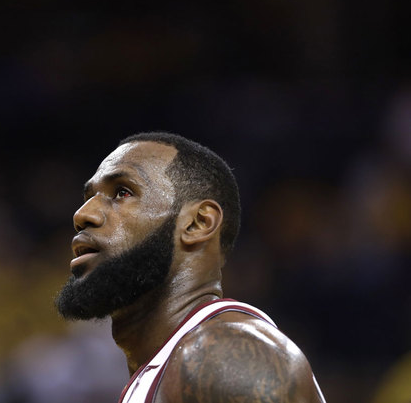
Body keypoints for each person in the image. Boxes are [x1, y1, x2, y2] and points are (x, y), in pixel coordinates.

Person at [55, 132, 326, 403]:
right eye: (89, 196)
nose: (83, 214)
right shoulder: (175, 365)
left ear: (198, 223)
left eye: (122, 192)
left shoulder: (222, 356)